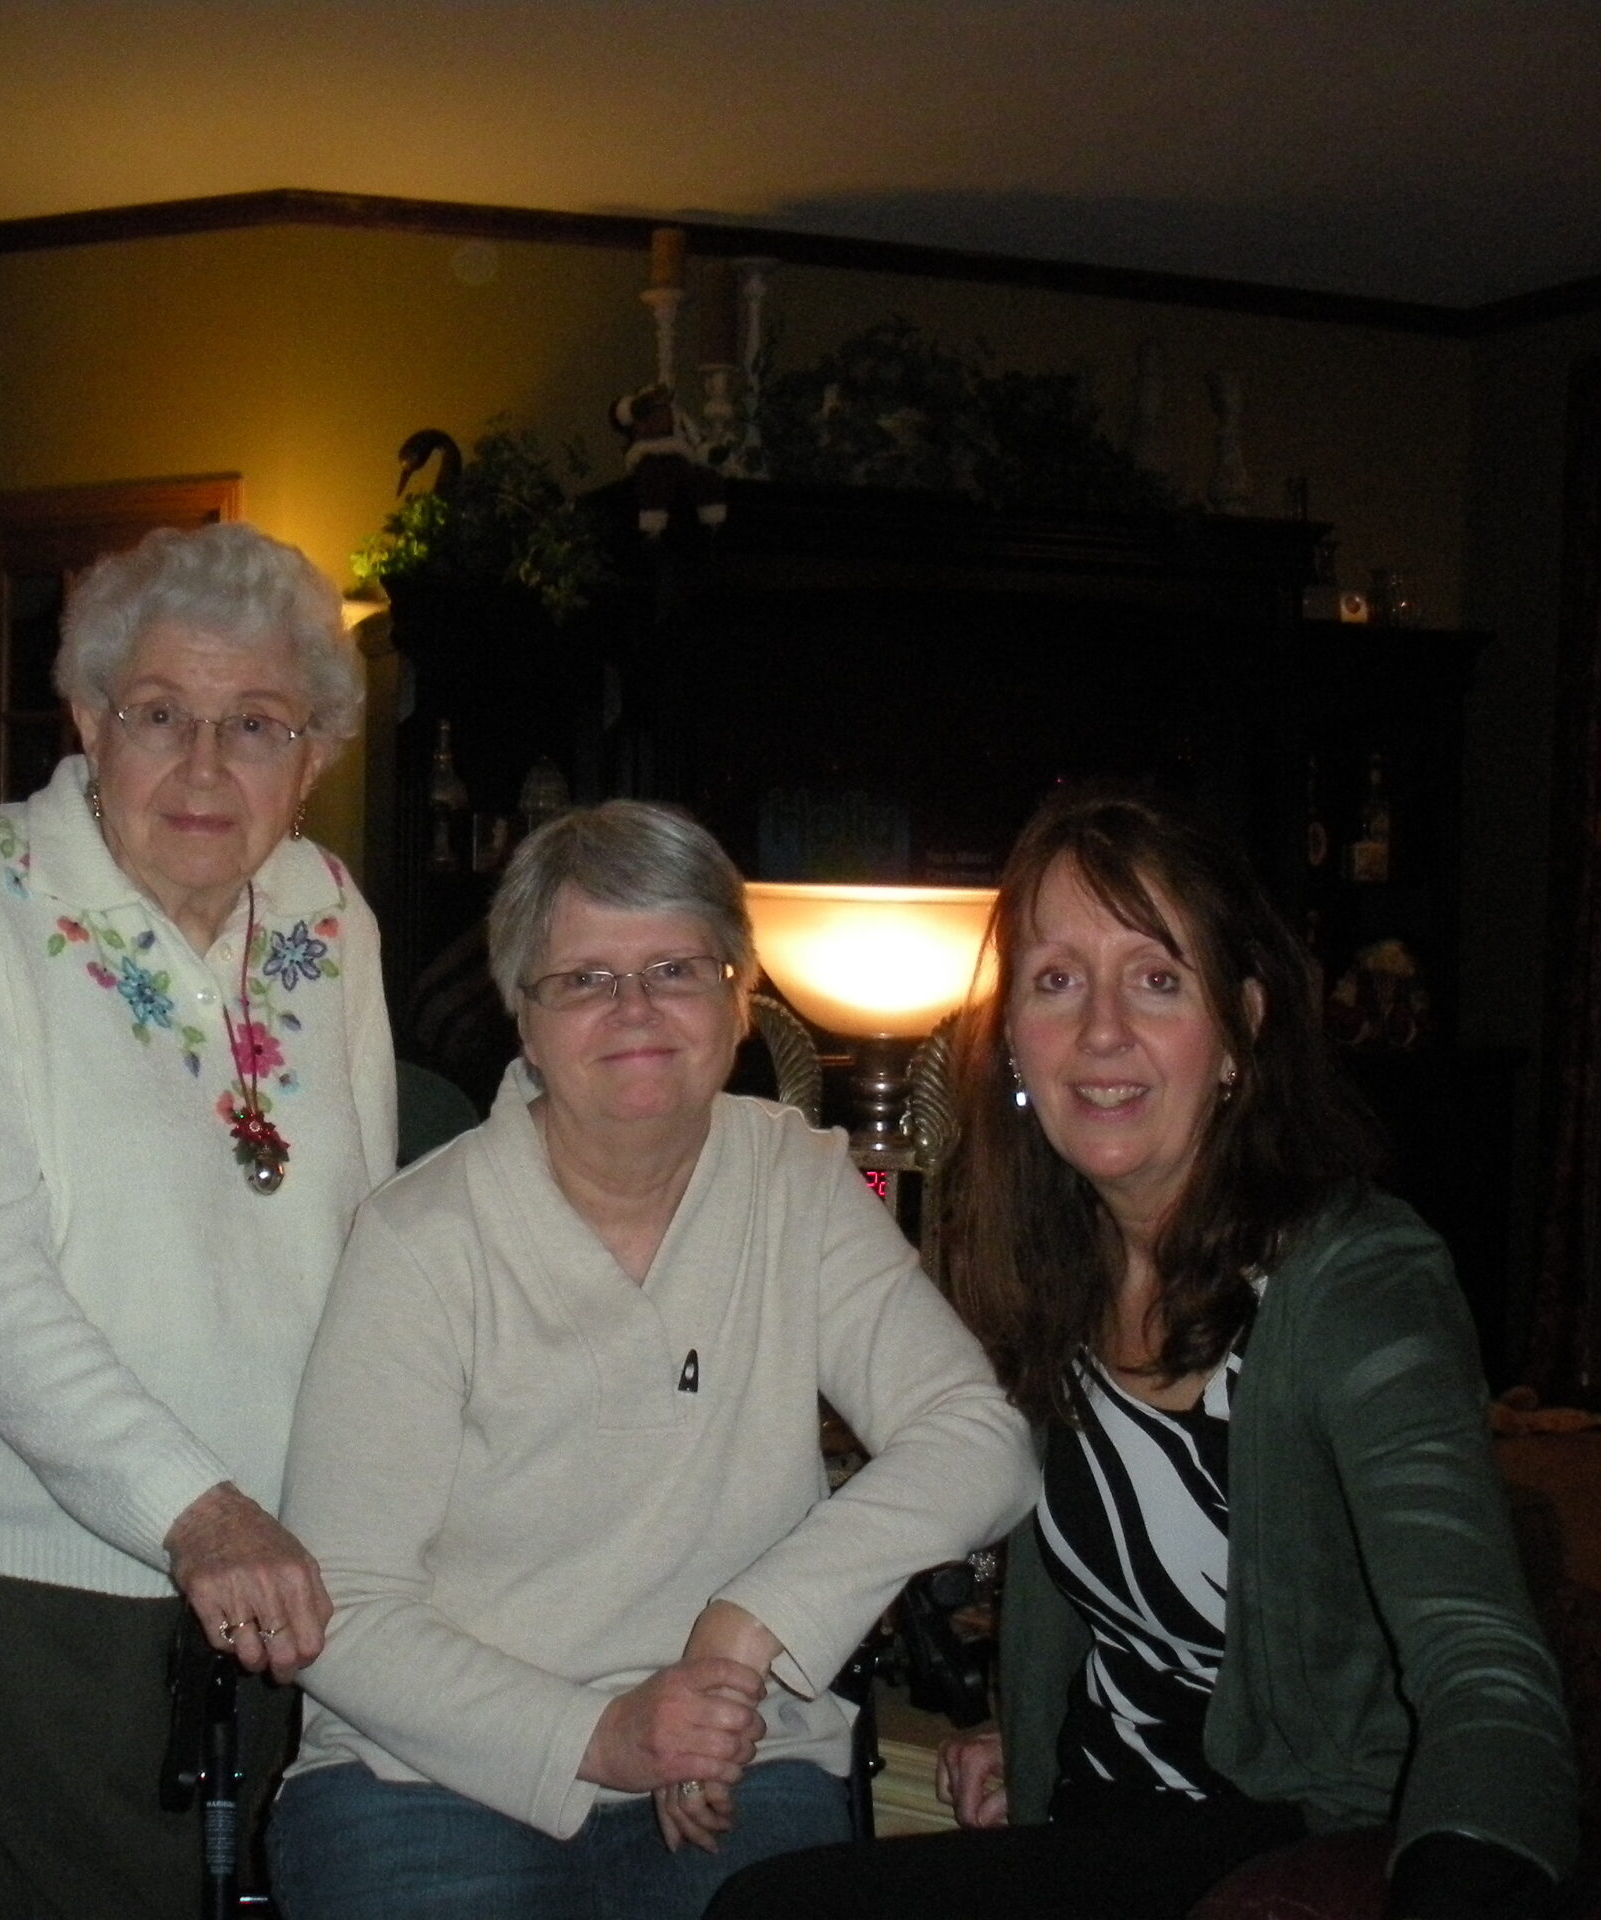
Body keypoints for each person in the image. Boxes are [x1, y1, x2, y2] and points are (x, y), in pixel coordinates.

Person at [709, 785, 1576, 1920]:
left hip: (1289, 1845)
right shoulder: (1050, 1264)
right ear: (1011, 1036)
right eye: (1057, 981)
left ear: (1242, 1027)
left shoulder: (1357, 1284)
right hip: (1096, 1811)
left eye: (1157, 980)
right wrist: (1023, 1732)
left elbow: (1482, 1657)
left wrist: (1463, 1878)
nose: (1101, 1030)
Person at [269, 799, 1036, 1920]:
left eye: (675, 969)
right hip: (426, 1770)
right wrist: (604, 1734)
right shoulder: (419, 1237)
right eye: (583, 979)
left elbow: (980, 1443)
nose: (634, 1009)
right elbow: (343, 1608)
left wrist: (741, 1636)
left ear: (739, 998)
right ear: (525, 1020)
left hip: (737, 1754)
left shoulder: (798, 1186)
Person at [0, 520, 395, 1918]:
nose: (204, 767)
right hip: (42, 1578)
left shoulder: (327, 910)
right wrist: (193, 1510)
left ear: (315, 754)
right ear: (86, 717)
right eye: (161, 714)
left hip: (301, 1564)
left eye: (256, 725)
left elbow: (372, 1234)